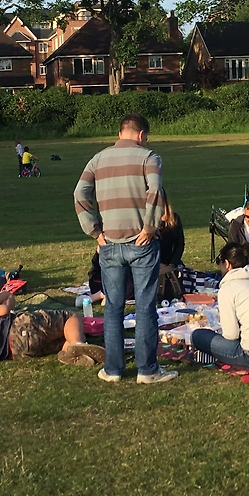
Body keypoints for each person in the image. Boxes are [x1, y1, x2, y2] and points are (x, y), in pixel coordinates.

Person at [74, 113, 176, 384]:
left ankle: (113, 369)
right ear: (141, 135)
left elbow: (79, 194)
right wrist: (150, 228)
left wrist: (94, 231)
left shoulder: (98, 159)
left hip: (109, 242)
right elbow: (155, 192)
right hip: (141, 242)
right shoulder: (149, 157)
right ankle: (147, 370)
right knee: (144, 307)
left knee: (113, 308)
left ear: (120, 133)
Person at [157, 191, 186, 303]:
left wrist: (173, 263)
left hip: (171, 262)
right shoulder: (147, 221)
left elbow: (180, 245)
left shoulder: (174, 219)